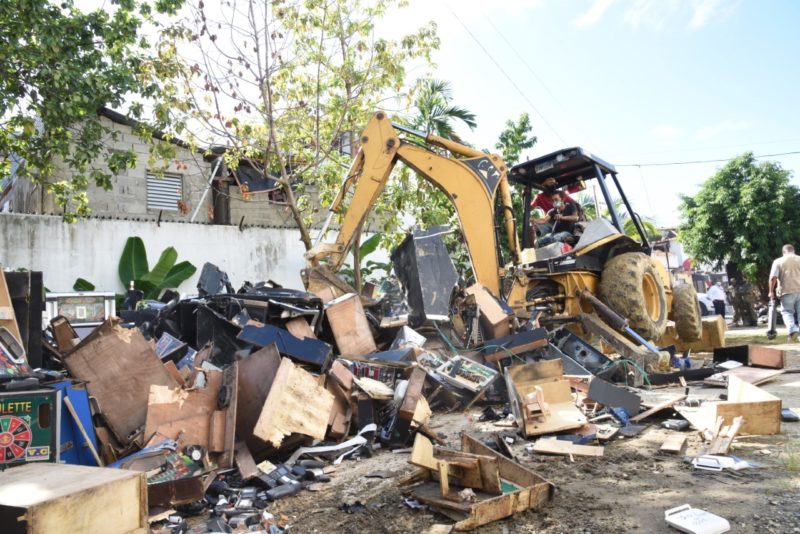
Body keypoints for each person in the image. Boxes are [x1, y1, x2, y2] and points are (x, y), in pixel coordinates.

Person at [769, 244, 800, 341]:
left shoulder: (778, 261)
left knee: (787, 312)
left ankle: (792, 330)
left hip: (786, 291)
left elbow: (773, 278)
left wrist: (771, 292)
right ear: (793, 250)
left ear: (783, 252)